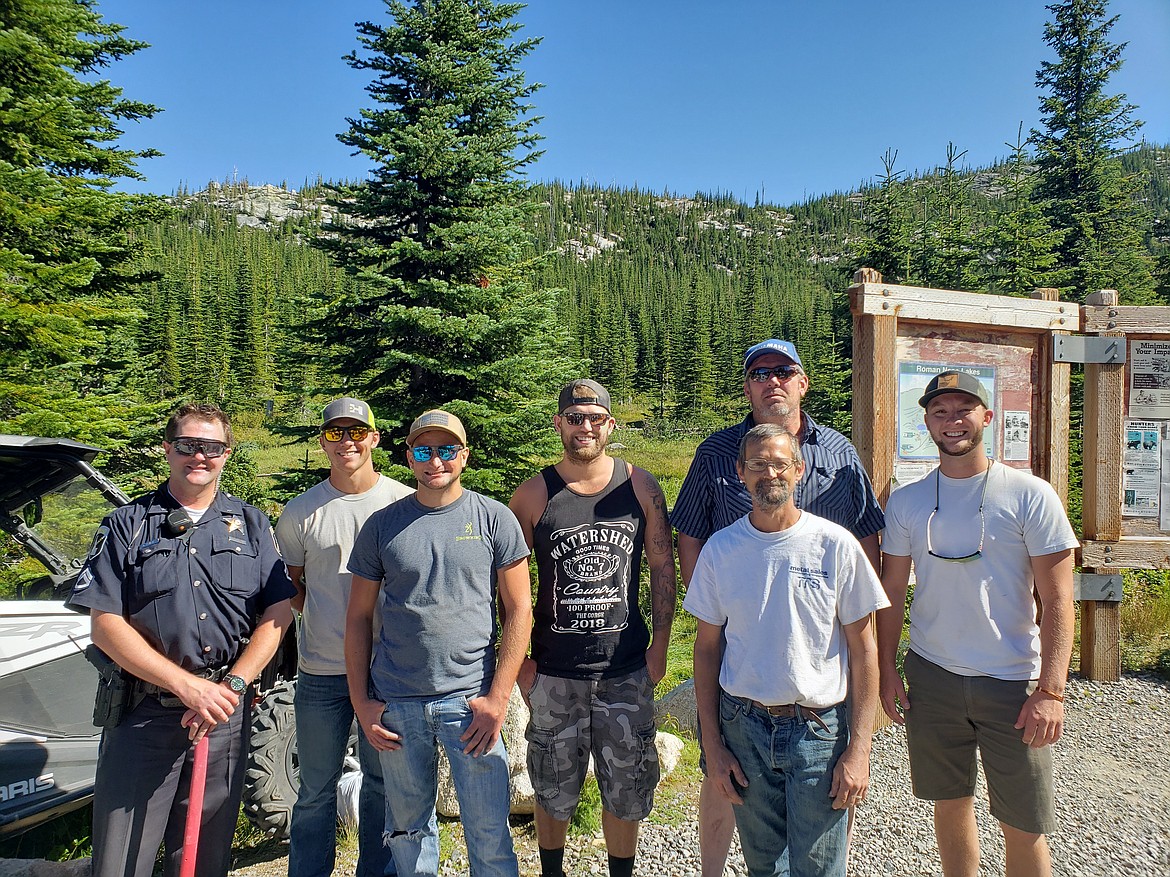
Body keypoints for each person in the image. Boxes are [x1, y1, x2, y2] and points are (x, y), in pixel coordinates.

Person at [671, 338, 885, 877]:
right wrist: (718, 602)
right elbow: (691, 535)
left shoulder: (839, 455)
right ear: (747, 386)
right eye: (760, 372)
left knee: (821, 847)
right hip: (745, 675)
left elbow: (867, 539)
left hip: (819, 679)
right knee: (750, 832)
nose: (773, 380)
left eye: (784, 370)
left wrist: (861, 733)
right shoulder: (716, 454)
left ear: (802, 381)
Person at [67, 403, 295, 877]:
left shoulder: (252, 525)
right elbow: (105, 624)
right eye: (189, 445)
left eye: (212, 447)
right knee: (119, 862)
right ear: (168, 449)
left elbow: (277, 613)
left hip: (225, 717)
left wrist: (231, 686)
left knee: (203, 860)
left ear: (226, 454)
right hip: (143, 717)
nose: (200, 456)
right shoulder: (127, 525)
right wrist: (187, 687)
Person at [877, 370, 1078, 877]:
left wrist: (1051, 690)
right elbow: (892, 593)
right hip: (932, 674)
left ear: (987, 417)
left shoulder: (1032, 496)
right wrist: (885, 669)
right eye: (940, 412)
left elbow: (1058, 601)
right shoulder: (907, 501)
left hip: (1012, 680)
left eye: (963, 409)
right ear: (925, 421)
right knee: (949, 803)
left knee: (1024, 821)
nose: (952, 422)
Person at [345, 408, 533, 877]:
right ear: (409, 457)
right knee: (408, 834)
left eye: (447, 450)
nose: (436, 461)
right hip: (397, 703)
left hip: (470, 704)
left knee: (489, 833)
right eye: (425, 450)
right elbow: (358, 618)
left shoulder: (495, 519)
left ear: (463, 456)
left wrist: (498, 698)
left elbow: (519, 611)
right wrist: (362, 703)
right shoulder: (382, 525)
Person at [509, 379, 676, 877]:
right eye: (575, 417)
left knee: (626, 787)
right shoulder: (534, 493)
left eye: (595, 418)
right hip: (554, 672)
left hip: (625, 668)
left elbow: (663, 569)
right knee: (552, 784)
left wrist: (661, 647)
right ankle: (551, 871)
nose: (585, 427)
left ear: (610, 425)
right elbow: (509, 584)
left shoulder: (641, 486)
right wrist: (519, 660)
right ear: (559, 423)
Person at [276, 397, 413, 877]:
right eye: (336, 433)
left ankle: (375, 872)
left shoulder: (403, 503)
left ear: (375, 438)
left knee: (382, 785)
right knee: (314, 789)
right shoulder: (300, 512)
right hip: (321, 671)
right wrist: (318, 616)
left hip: (388, 673)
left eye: (357, 432)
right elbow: (291, 585)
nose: (347, 441)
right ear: (323, 442)